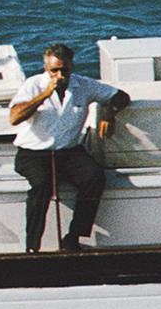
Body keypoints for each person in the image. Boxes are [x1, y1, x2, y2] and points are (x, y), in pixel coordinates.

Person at [7, 43, 130, 252]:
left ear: (72, 66)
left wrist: (110, 112)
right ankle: (32, 245)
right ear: (46, 68)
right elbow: (14, 118)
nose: (60, 74)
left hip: (69, 151)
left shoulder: (83, 85)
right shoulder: (33, 84)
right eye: (54, 70)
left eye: (64, 69)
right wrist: (45, 94)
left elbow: (120, 97)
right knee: (42, 185)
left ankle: (74, 236)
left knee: (94, 177)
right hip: (34, 153)